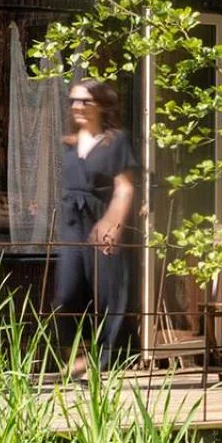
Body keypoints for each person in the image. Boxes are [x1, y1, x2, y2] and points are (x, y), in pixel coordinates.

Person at [53, 79, 138, 373]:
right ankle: (80, 353)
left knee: (108, 295)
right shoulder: (69, 144)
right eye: (74, 101)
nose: (77, 106)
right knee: (66, 293)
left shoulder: (116, 141)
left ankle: (104, 361)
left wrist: (112, 222)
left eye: (85, 101)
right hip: (72, 223)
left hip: (104, 220)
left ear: (100, 105)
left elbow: (125, 188)